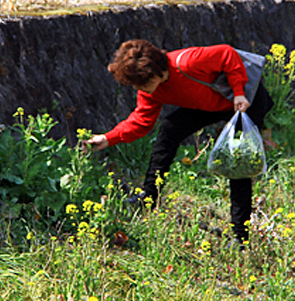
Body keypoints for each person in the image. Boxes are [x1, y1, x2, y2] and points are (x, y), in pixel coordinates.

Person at [86, 39, 273, 244]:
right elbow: (141, 121)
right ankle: (148, 197)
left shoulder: (187, 62)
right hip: (210, 105)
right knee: (169, 129)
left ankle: (240, 237)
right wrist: (107, 138)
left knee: (238, 162)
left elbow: (227, 54)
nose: (140, 89)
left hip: (246, 101)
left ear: (157, 71)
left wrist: (238, 92)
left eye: (142, 83)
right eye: (135, 85)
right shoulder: (151, 88)